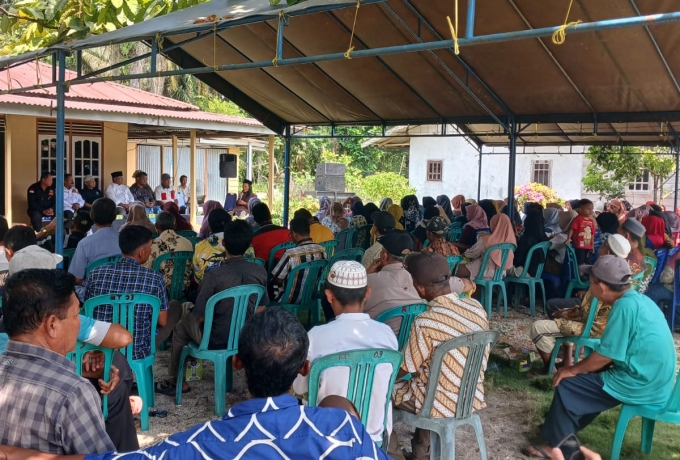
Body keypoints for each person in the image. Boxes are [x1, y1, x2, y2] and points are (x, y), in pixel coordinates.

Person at [0, 307, 389, 460]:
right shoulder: (345, 433)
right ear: (304, 368)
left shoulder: (200, 443)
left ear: (237, 364)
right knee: (340, 402)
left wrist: (11, 453)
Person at [523, 255, 677, 459]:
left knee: (567, 385)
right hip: (657, 381)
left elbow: (605, 355)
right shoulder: (639, 299)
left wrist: (571, 369)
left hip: (641, 383)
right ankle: (560, 435)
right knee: (584, 385)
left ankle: (564, 449)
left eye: (591, 281)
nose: (589, 286)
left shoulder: (624, 307)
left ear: (602, 286)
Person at [0, 269, 118, 455]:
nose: (78, 322)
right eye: (76, 315)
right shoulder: (72, 392)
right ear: (52, 325)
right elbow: (99, 457)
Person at [389, 252, 489, 460]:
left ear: (420, 288)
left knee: (380, 392)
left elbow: (407, 368)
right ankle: (420, 454)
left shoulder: (426, 322)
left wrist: (384, 377)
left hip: (436, 402)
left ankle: (394, 455)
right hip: (470, 397)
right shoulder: (476, 308)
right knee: (429, 380)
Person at [156, 220, 269, 395]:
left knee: (181, 326)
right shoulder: (259, 271)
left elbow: (199, 317)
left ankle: (176, 380)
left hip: (214, 339)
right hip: (247, 337)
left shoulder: (214, 276)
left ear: (223, 244)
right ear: (249, 245)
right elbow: (261, 310)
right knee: (188, 311)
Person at [293, 261, 399, 443]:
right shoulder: (386, 334)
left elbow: (299, 387)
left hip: (327, 435)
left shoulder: (316, 337)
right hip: (373, 433)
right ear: (367, 293)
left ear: (328, 295)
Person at [529, 235, 631, 376]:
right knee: (564, 314)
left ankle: (549, 369)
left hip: (592, 328)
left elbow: (585, 314)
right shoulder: (624, 278)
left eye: (601, 246)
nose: (598, 249)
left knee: (538, 327)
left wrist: (564, 313)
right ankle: (567, 361)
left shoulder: (602, 277)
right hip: (605, 327)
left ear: (607, 252)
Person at [85, 225, 181, 358]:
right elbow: (163, 322)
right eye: (150, 247)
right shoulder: (154, 278)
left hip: (100, 347)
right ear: (142, 252)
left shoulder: (95, 274)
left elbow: (88, 311)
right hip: (138, 350)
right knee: (175, 306)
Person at [363, 231, 421, 335]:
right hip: (411, 343)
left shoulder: (369, 281)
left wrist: (367, 273)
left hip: (377, 345)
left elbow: (350, 309)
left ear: (384, 256)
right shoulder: (421, 281)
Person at [271, 217, 327, 303]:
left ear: (294, 234)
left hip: (288, 298)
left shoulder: (290, 254)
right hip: (311, 296)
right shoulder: (322, 251)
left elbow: (278, 279)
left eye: (290, 234)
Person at [68, 198, 122, 285]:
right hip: (122, 291)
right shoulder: (125, 240)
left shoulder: (84, 244)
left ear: (91, 215)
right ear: (115, 216)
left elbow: (77, 279)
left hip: (93, 295)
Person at [143, 211, 193, 291]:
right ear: (175, 225)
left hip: (161, 290)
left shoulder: (152, 245)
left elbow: (147, 270)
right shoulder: (187, 243)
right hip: (184, 288)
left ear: (156, 226)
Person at [457, 213, 517, 280]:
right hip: (501, 273)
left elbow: (471, 254)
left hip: (484, 270)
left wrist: (462, 254)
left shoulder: (487, 240)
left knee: (454, 269)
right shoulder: (511, 242)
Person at [192, 208, 231, 284]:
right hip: (238, 292)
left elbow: (198, 277)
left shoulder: (199, 246)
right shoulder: (241, 243)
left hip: (208, 291)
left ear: (209, 225)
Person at [509, 210, 547, 277]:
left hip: (525, 271)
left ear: (527, 222)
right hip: (537, 272)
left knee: (502, 269)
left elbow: (517, 260)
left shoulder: (526, 240)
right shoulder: (544, 238)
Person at [565, 199, 595, 265]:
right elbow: (572, 229)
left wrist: (592, 245)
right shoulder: (578, 219)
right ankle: (579, 273)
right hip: (579, 245)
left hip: (588, 245)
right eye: (589, 209)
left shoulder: (591, 221)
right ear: (581, 210)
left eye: (592, 209)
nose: (591, 211)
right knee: (579, 260)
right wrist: (569, 238)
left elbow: (592, 233)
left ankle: (583, 272)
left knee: (587, 260)